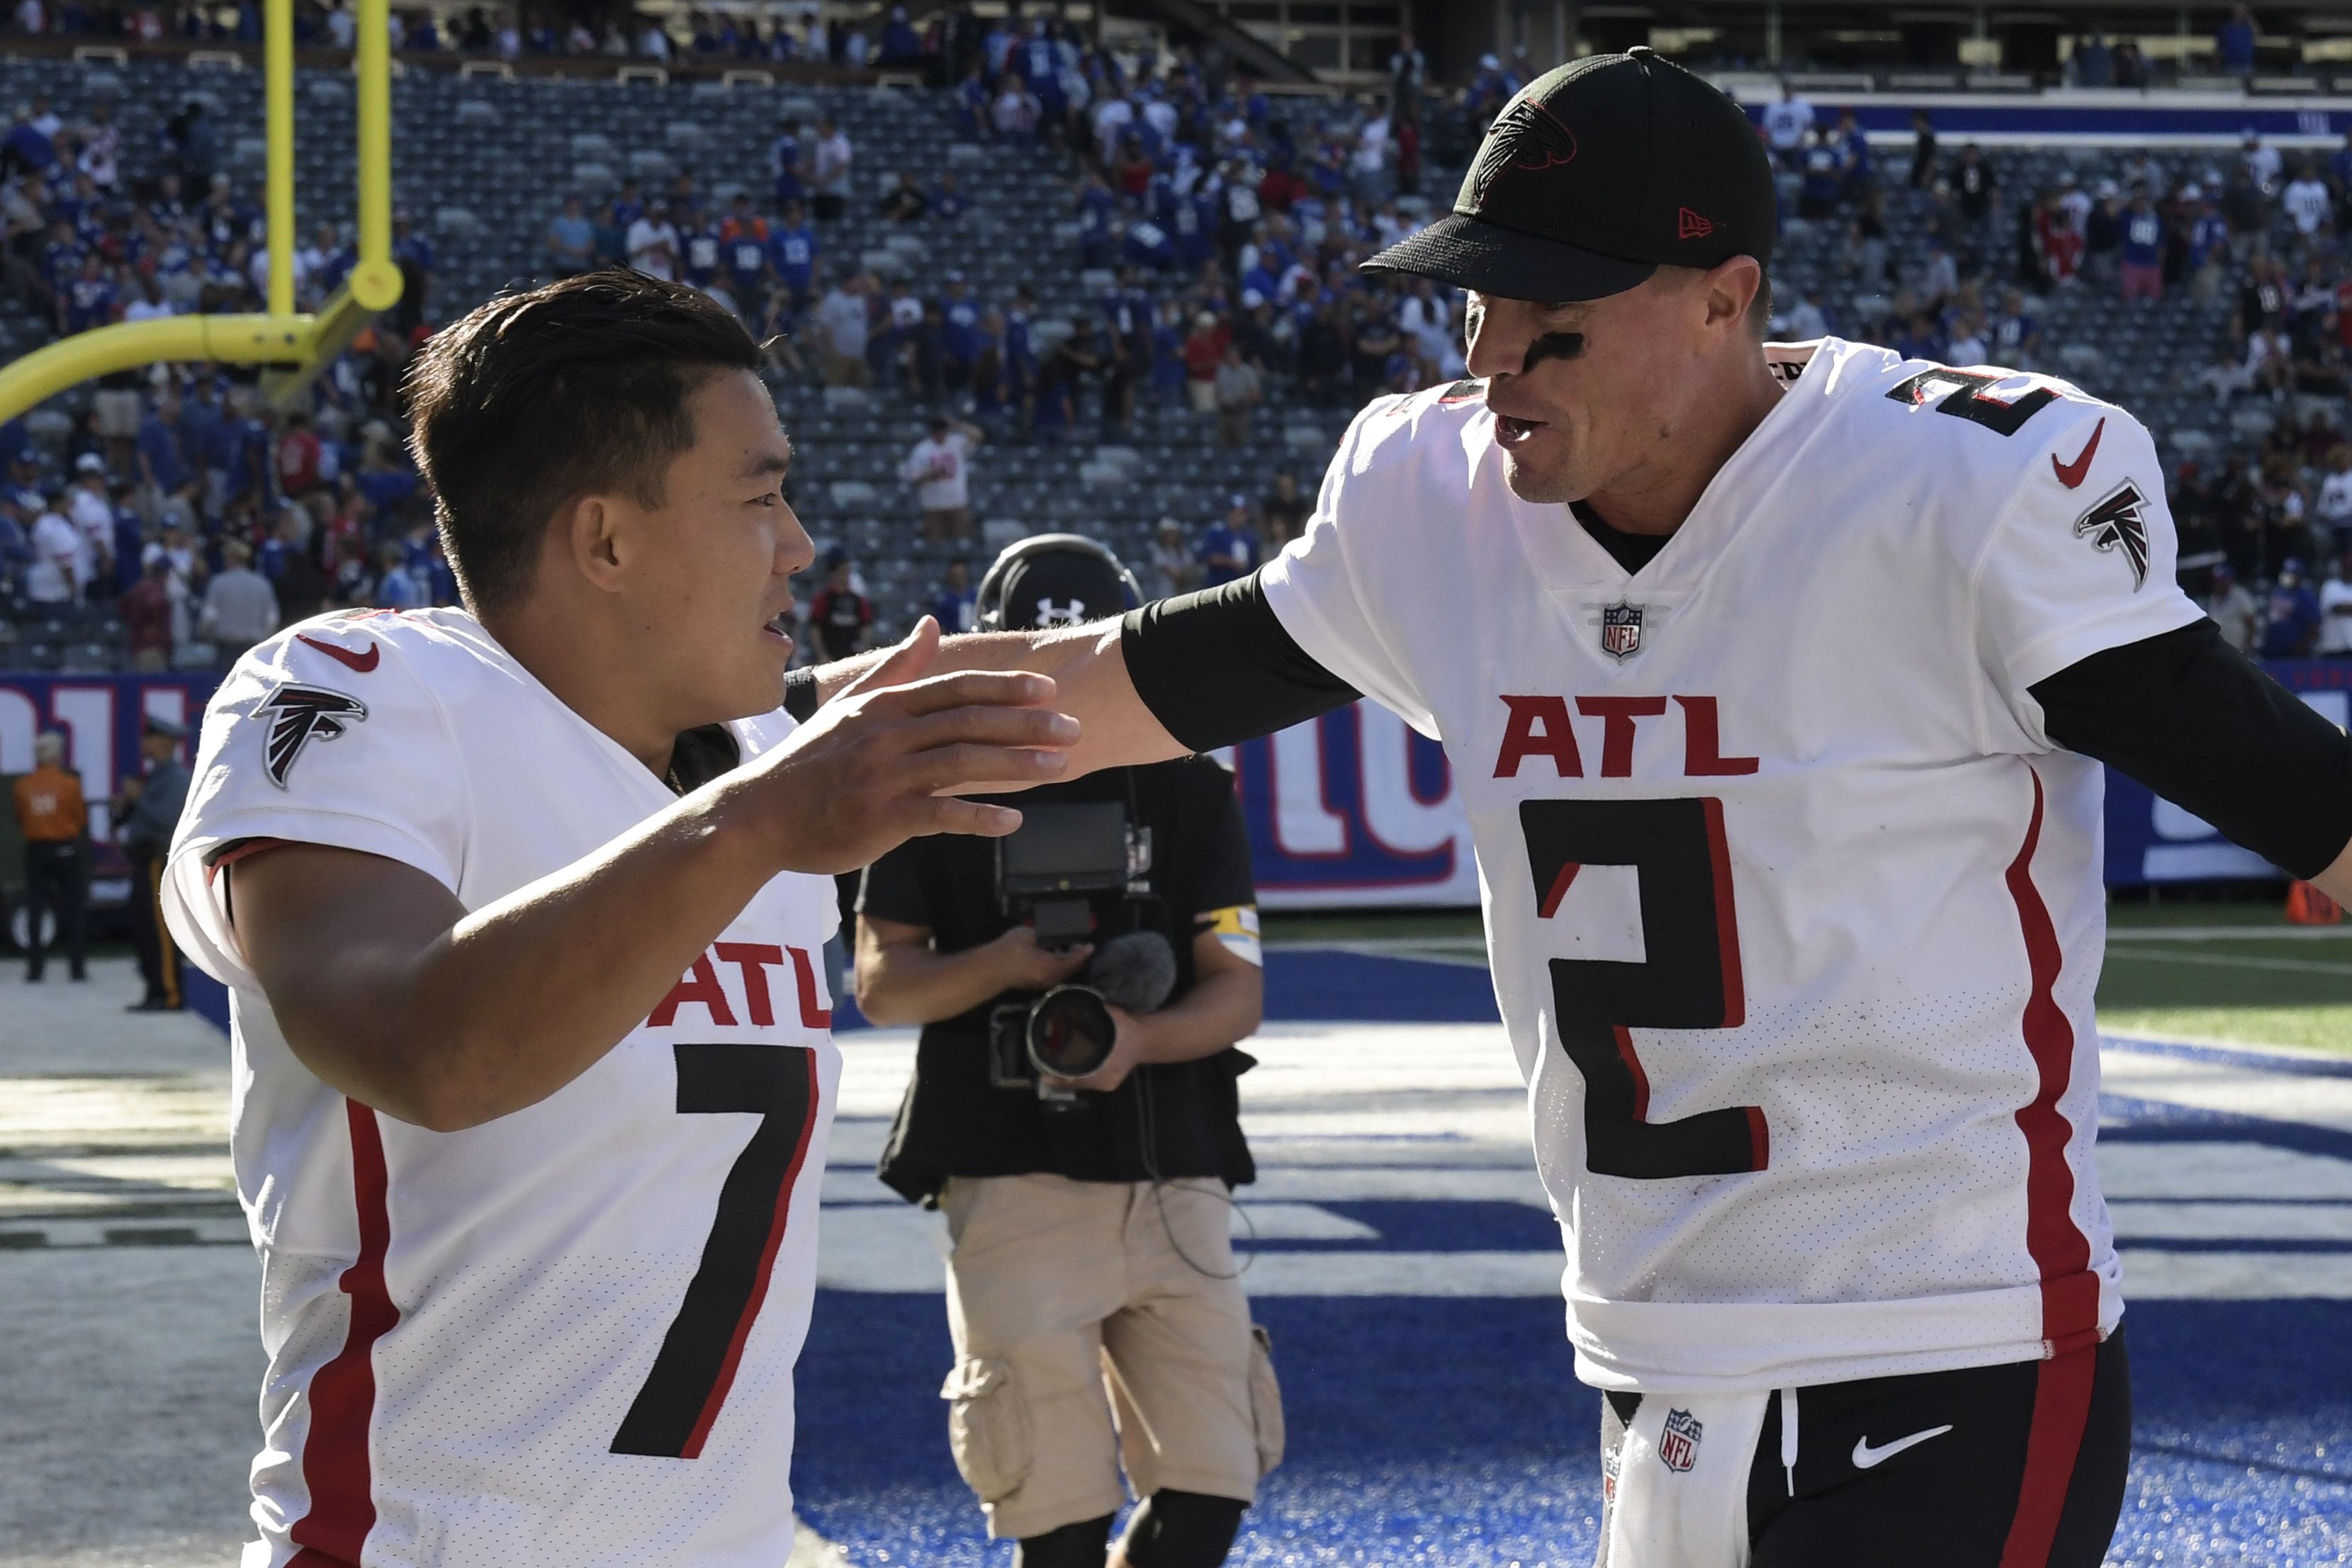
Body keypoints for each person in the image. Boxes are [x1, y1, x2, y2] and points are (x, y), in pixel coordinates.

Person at [798, 50, 2352, 1568]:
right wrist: (811, 725)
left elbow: (2306, 798)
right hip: (1643, 1363)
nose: (1490, 357)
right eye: (1477, 301)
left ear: (1723, 299)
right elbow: (1143, 676)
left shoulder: (1958, 492)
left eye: (1553, 317)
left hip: (1948, 1342)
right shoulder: (1432, 500)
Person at [154, 272, 1071, 1567]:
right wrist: (753, 822)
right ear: (605, 540)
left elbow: (1131, 673)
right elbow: (423, 1049)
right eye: (759, 496)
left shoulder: (753, 749)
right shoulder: (364, 692)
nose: (801, 543)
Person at [855, 536, 1280, 1568]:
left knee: (1210, 1497)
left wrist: (1137, 1039)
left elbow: (1237, 992)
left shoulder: (1186, 789)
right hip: (1010, 1175)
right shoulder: (932, 789)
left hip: (1172, 1163)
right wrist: (1004, 963)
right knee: (1057, 1525)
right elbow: (881, 982)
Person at [116, 714, 190, 1011]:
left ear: (164, 743)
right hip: (144, 862)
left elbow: (166, 820)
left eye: (149, 738)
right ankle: (154, 990)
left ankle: (169, 993)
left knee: (160, 931)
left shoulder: (176, 778)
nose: (143, 744)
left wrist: (139, 799)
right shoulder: (157, 776)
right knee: (146, 931)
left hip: (158, 860)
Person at [13, 729, 86, 982]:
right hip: (66, 849)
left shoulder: (23, 786)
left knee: (36, 909)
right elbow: (79, 819)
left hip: (36, 851)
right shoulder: (70, 785)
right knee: (74, 908)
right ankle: (77, 968)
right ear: (58, 756)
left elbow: (20, 817)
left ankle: (35, 969)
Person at [903, 412, 981, 543]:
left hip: (958, 505)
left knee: (963, 544)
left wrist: (955, 424)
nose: (940, 435)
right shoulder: (922, 450)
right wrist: (932, 475)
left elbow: (978, 436)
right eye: (937, 432)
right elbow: (914, 479)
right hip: (933, 508)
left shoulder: (956, 443)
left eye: (943, 431)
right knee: (936, 547)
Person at [807, 548, 873, 661]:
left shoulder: (857, 600)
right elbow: (815, 628)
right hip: (830, 655)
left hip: (853, 655)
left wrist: (864, 650)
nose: (845, 576)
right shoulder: (824, 599)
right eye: (842, 572)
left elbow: (866, 626)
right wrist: (821, 654)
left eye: (847, 572)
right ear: (834, 574)